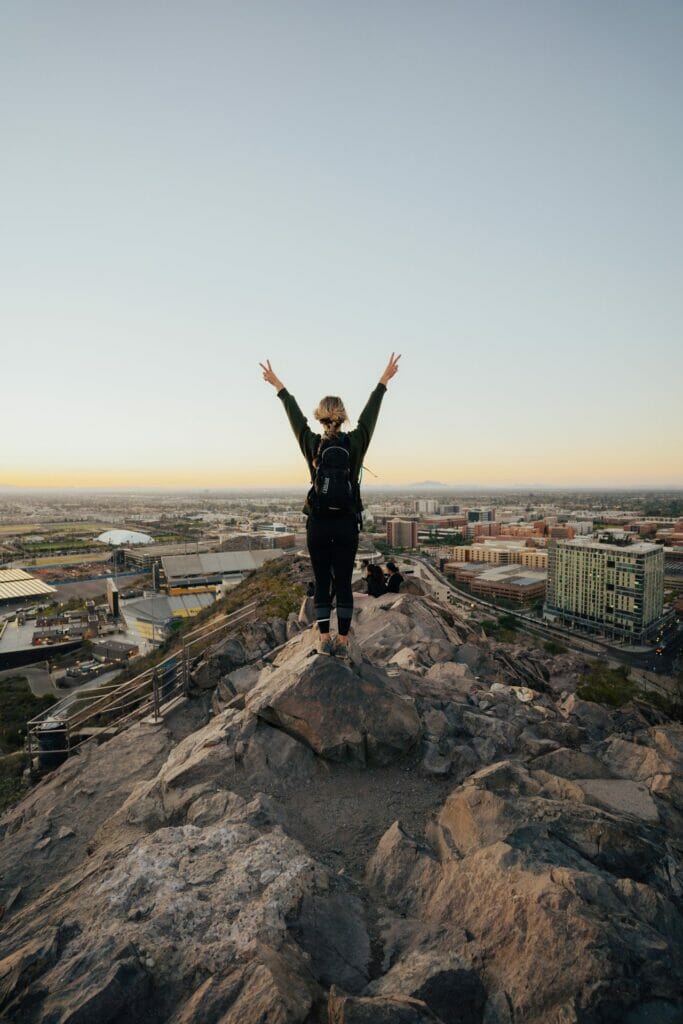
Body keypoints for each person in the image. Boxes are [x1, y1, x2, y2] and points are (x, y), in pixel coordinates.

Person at [260, 353, 401, 656]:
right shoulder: (355, 442)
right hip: (347, 522)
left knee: (322, 581)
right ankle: (344, 639)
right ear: (343, 416)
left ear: (320, 417)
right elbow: (370, 416)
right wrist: (383, 381)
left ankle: (323, 639)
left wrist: (279, 386)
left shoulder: (313, 444)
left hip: (319, 523)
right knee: (345, 583)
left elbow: (294, 418)